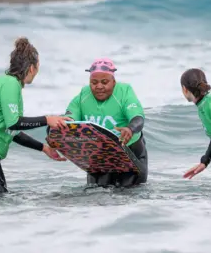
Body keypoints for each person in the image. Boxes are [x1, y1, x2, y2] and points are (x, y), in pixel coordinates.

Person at [0, 37, 70, 197]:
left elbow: (13, 132)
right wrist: (47, 119)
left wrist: (43, 148)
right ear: (32, 68)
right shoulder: (10, 84)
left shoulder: (9, 83)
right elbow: (14, 123)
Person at [55, 58, 148, 187]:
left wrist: (130, 129)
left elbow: (138, 118)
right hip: (100, 158)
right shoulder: (84, 95)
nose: (99, 86)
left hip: (130, 157)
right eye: (94, 82)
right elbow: (69, 119)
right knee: (95, 196)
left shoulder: (124, 92)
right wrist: (56, 135)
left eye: (104, 82)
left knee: (128, 197)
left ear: (113, 81)